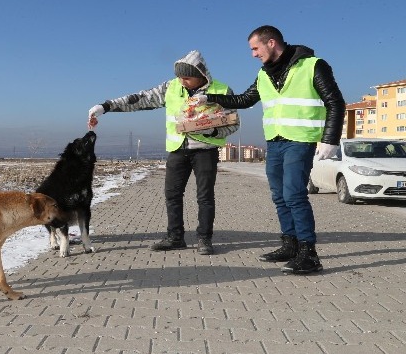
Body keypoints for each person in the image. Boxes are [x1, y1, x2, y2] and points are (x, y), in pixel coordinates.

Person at [197, 25, 345, 274]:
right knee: (279, 196)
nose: (253, 54)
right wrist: (211, 98)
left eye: (255, 48)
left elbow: (335, 101)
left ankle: (309, 254)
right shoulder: (264, 74)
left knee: (294, 195)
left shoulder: (313, 65)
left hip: (300, 140)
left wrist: (330, 139)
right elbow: (245, 99)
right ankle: (290, 245)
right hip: (274, 142)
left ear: (272, 42)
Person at [87, 50, 240, 255]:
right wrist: (106, 106)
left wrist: (211, 129)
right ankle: (175, 237)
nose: (181, 81)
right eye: (179, 76)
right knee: (172, 194)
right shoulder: (171, 87)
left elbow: (233, 123)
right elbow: (139, 99)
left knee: (205, 197)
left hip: (205, 150)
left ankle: (204, 239)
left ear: (201, 75)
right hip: (177, 149)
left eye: (186, 77)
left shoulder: (222, 90)